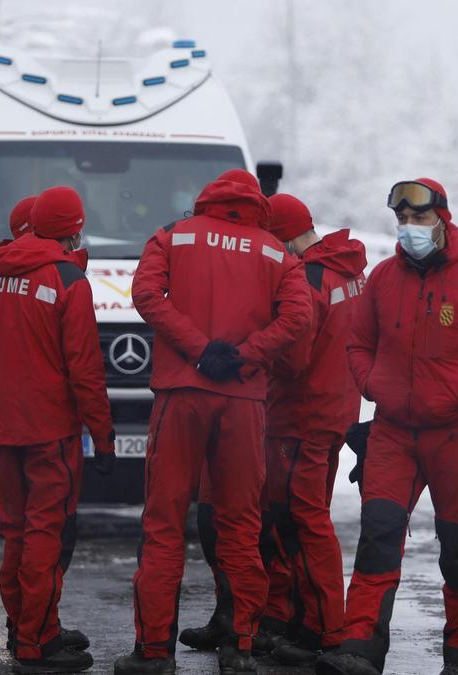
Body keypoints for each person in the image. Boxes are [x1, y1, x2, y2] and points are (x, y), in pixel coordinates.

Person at [316, 178, 458, 675]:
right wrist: (373, 386)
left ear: (442, 220)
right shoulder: (384, 279)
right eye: (402, 220)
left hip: (456, 437)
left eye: (419, 219)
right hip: (392, 435)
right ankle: (360, 650)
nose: (409, 228)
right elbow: (357, 345)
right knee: (378, 537)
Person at [114, 170, 313, 675]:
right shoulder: (276, 252)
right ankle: (241, 646)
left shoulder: (172, 237)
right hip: (243, 401)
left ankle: (154, 651)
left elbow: (145, 295)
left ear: (206, 199)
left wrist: (199, 351)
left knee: (163, 525)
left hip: (181, 394)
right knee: (242, 526)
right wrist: (244, 356)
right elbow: (298, 318)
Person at [178, 193, 368, 666]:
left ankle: (321, 629)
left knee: (296, 524)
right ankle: (281, 620)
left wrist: (246, 354)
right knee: (289, 522)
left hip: (297, 418)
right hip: (331, 414)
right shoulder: (346, 271)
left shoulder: (306, 279)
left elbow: (294, 358)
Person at [0, 188, 116, 674]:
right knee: (46, 536)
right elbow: (85, 369)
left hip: (4, 428)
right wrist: (104, 434)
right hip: (50, 432)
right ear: (74, 228)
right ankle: (36, 642)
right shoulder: (69, 279)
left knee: (16, 534)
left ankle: (28, 625)